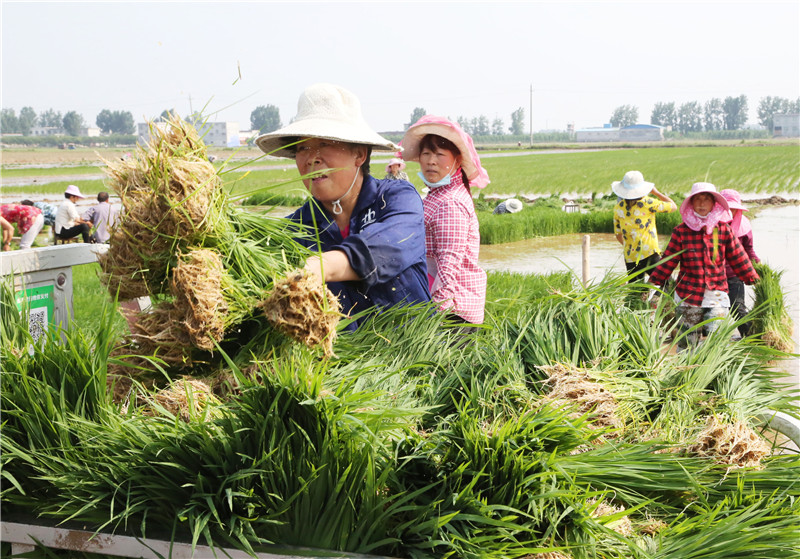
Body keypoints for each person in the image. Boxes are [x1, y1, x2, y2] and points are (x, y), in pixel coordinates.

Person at [254, 83, 430, 329]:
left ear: (359, 154)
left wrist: (314, 267)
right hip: (343, 363)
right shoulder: (295, 229)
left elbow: (392, 246)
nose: (312, 157)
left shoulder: (396, 198)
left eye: (325, 144)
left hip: (416, 356)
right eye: (303, 147)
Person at [401, 115, 489, 325]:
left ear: (457, 160)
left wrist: (435, 316)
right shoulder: (438, 194)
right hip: (446, 306)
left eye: (440, 154)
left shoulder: (450, 202)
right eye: (426, 154)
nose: (431, 161)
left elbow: (448, 266)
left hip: (452, 313)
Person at [649, 182, 759, 346]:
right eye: (697, 199)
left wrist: (753, 278)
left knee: (715, 344)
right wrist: (653, 281)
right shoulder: (681, 231)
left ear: (714, 203)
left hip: (717, 295)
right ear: (691, 203)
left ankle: (713, 370)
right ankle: (687, 370)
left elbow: (738, 257)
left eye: (706, 199)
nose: (702, 204)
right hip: (688, 296)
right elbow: (669, 260)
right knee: (687, 343)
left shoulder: (723, 230)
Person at [611, 170, 677, 282]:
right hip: (649, 252)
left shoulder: (618, 208)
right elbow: (673, 206)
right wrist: (656, 193)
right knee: (667, 283)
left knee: (636, 292)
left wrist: (631, 246)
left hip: (630, 256)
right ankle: (656, 299)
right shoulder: (647, 203)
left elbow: (618, 235)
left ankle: (645, 298)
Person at [720, 188, 760, 337]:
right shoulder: (713, 224)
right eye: (727, 208)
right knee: (708, 309)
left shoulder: (744, 226)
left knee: (737, 308)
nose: (730, 211)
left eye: (734, 209)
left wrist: (758, 265)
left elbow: (749, 249)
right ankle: (706, 339)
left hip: (734, 274)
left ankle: (749, 337)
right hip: (713, 275)